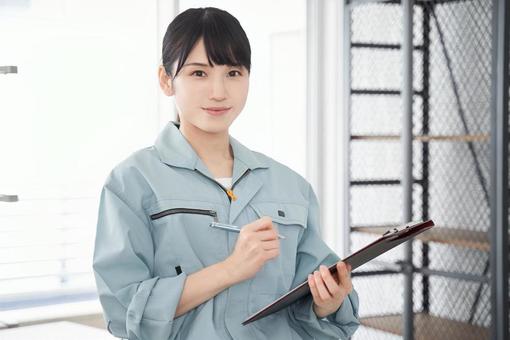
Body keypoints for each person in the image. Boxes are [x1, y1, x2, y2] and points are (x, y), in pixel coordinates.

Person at [92, 7, 359, 340]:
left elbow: (315, 305)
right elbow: (124, 311)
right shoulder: (131, 182)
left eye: (233, 73)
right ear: (166, 80)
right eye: (199, 73)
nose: (219, 91)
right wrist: (231, 270)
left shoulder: (291, 187)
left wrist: (326, 303)